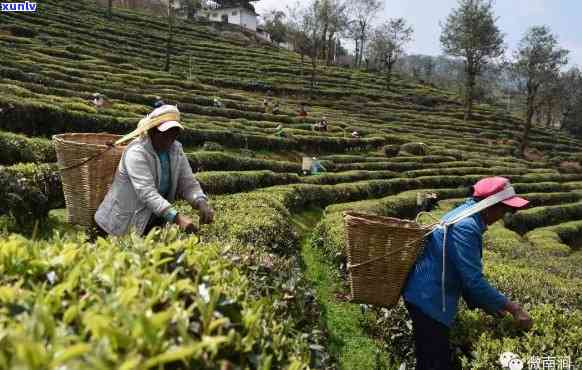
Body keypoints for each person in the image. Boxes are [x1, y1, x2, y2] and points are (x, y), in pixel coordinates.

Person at [403, 177, 532, 370]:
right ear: (490, 204)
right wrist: (515, 309)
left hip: (424, 294)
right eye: (505, 209)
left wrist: (487, 304)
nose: (505, 214)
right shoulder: (467, 226)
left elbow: (460, 271)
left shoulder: (464, 214)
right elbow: (474, 281)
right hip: (429, 299)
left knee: (430, 359)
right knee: (434, 363)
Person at [95, 105, 214, 236]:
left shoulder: (176, 150)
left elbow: (188, 182)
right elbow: (147, 192)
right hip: (117, 224)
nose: (169, 139)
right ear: (152, 131)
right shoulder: (137, 152)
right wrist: (177, 218)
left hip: (150, 221)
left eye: (174, 134)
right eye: (165, 134)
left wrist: (201, 202)